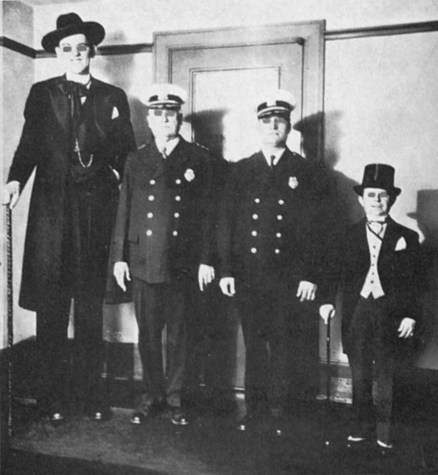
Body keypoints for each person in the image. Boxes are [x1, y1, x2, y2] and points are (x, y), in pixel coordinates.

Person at [2, 13, 136, 424]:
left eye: (81, 47)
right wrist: (14, 180)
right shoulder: (41, 93)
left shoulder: (113, 96)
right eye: (66, 49)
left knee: (91, 308)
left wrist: (118, 179)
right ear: (58, 54)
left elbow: (127, 153)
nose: (75, 54)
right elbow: (28, 145)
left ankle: (91, 396)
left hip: (95, 214)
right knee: (52, 308)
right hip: (52, 214)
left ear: (91, 51)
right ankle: (50, 398)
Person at [217, 90, 328, 431]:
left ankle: (281, 411)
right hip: (249, 275)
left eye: (279, 121)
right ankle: (256, 409)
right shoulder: (240, 170)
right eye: (267, 121)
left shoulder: (307, 171)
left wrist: (310, 275)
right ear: (258, 126)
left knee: (284, 344)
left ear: (289, 127)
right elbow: (226, 224)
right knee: (254, 345)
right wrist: (226, 270)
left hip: (288, 277)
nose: (273, 126)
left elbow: (318, 229)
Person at [111, 83, 214, 426]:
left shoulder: (198, 158)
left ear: (179, 119)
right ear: (149, 120)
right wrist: (119, 257)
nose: (164, 119)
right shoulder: (136, 159)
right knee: (148, 336)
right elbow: (124, 209)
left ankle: (175, 398)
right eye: (158, 114)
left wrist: (206, 259)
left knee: (180, 336)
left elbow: (207, 216)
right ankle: (152, 395)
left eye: (170, 114)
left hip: (182, 263)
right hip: (144, 261)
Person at [319, 163, 421, 449]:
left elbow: (417, 282)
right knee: (360, 373)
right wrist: (326, 301)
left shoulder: (407, 237)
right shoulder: (347, 235)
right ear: (361, 200)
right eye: (371, 195)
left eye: (382, 195)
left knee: (388, 374)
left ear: (392, 199)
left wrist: (411, 315)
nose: (376, 201)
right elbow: (333, 272)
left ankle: (386, 433)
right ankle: (361, 427)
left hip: (391, 312)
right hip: (357, 310)